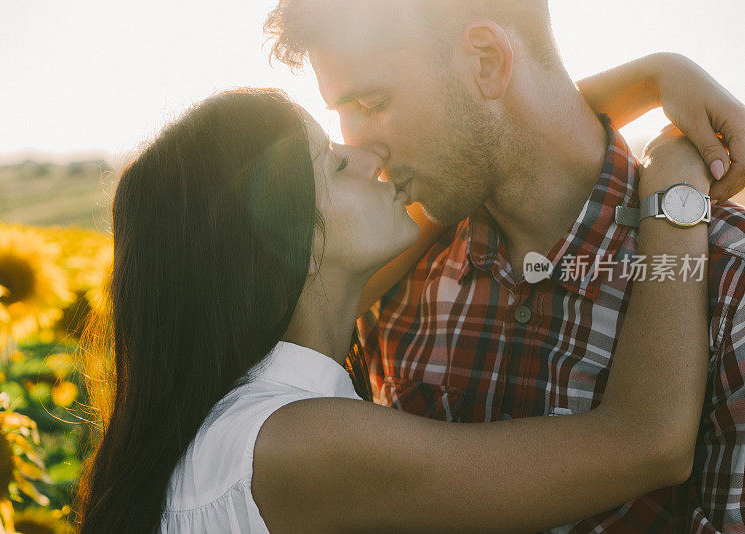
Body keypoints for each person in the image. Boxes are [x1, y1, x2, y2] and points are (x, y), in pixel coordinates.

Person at [74, 84, 721, 533]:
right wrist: (673, 194)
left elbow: (487, 153)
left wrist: (655, 74)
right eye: (330, 164)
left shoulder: (237, 421)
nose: (370, 155)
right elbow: (649, 442)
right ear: (290, 246)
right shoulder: (300, 443)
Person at [263, 1, 745, 531]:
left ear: (487, 60)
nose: (358, 147)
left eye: (373, 103)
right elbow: (647, 437)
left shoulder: (729, 283)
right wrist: (656, 82)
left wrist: (658, 79)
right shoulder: (390, 270)